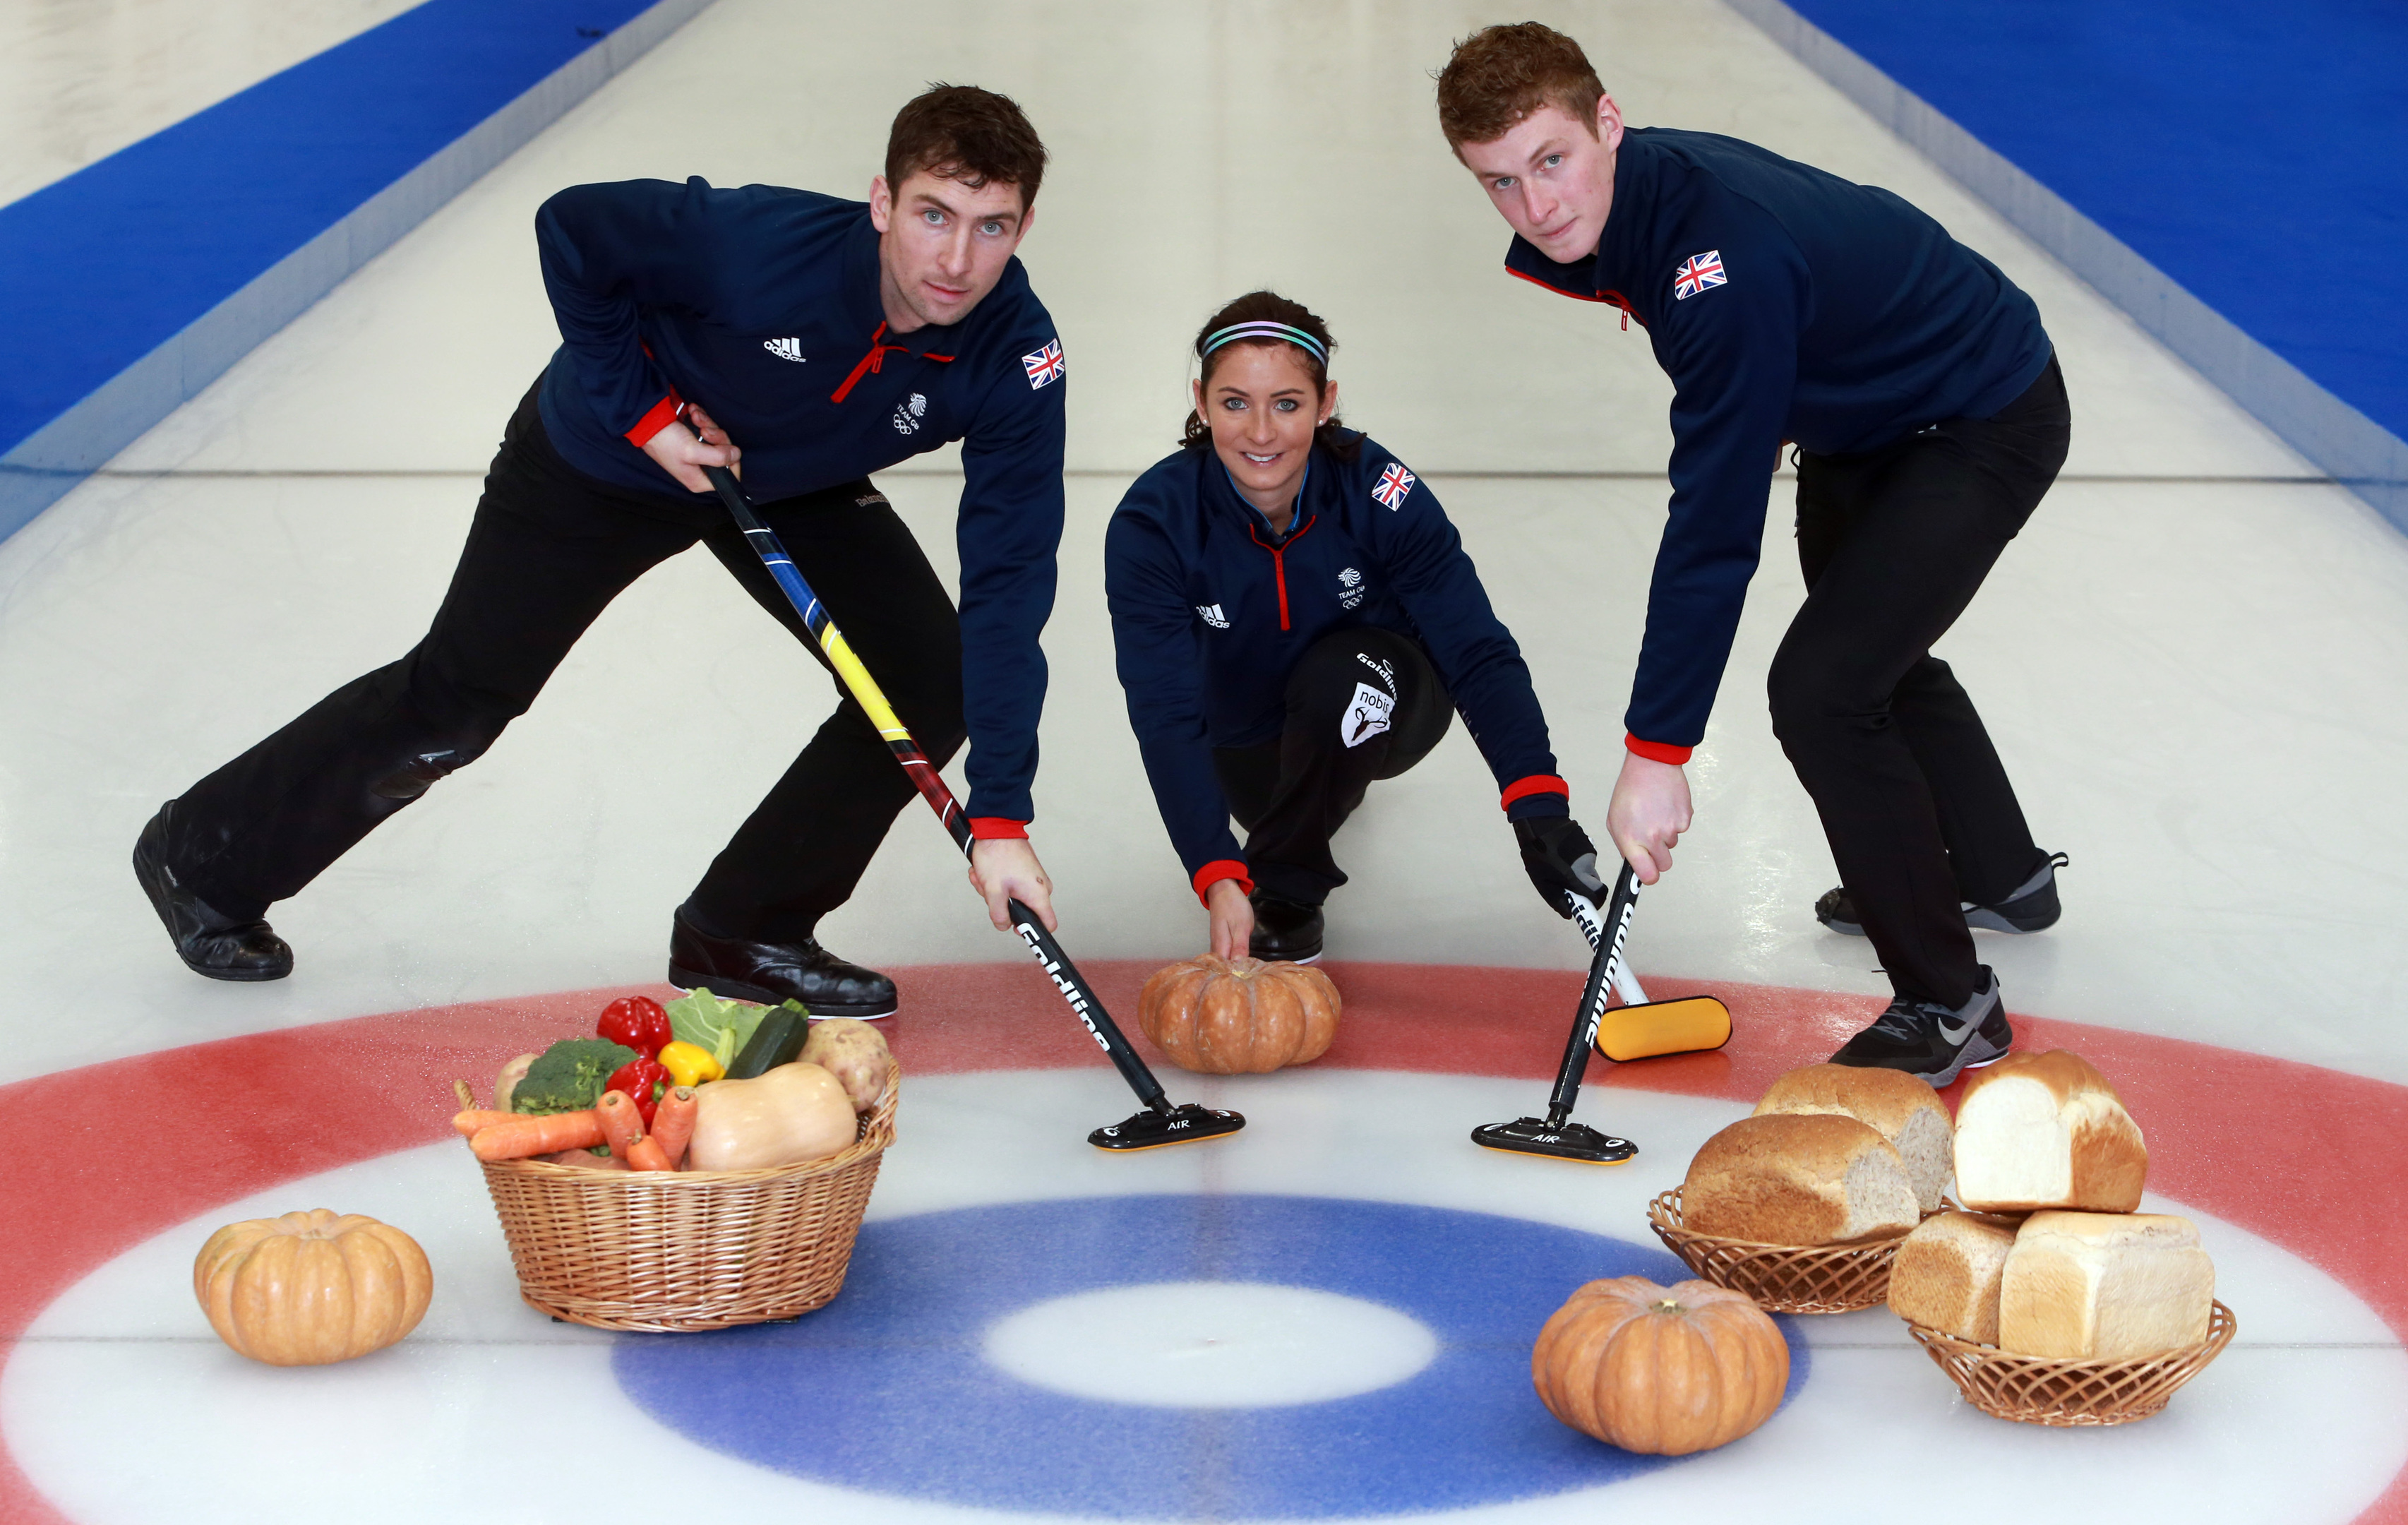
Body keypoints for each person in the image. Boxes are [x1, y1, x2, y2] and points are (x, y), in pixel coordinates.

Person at [131, 85, 1070, 1018]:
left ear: (1022, 229)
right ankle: (203, 857)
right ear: (881, 204)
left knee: (928, 678)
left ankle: (743, 929)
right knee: (463, 694)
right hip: (605, 460)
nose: (954, 259)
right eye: (932, 216)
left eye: (989, 227)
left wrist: (999, 813)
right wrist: (644, 412)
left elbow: (1010, 579)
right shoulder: (755, 249)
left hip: (787, 482)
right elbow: (573, 229)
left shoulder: (1016, 356)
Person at [1435, 25, 2069, 1084]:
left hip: (1979, 411)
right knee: (1871, 653)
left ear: (1607, 122)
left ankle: (1950, 1002)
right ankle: (2000, 873)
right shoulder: (1636, 200)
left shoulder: (1712, 263)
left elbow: (1712, 523)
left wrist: (1656, 752)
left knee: (1823, 689)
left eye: (1551, 161)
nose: (1536, 207)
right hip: (1860, 414)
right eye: (1498, 182)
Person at [1104, 291, 1609, 964]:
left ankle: (1289, 892)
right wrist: (1214, 868)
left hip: (1387, 693)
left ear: (1326, 401)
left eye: (1287, 403)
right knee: (1267, 801)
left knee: (1344, 678)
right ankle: (1304, 803)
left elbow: (1474, 648)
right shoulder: (1153, 523)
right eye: (1234, 403)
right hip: (1246, 737)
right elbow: (1164, 711)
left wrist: (1536, 801)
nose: (1261, 432)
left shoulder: (1377, 491)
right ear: (1200, 402)